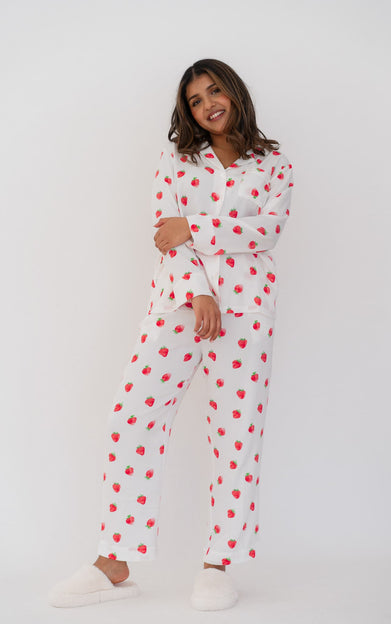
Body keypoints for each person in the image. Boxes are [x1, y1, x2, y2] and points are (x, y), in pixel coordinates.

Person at [48, 58, 294, 611]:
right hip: (181, 303)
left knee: (236, 430)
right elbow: (166, 232)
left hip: (249, 311)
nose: (207, 102)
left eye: (214, 89)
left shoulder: (273, 161)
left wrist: (198, 226)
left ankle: (218, 563)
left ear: (233, 91)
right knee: (131, 413)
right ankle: (115, 560)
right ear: (188, 112)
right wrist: (200, 291)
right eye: (194, 99)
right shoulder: (177, 159)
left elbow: (267, 231)